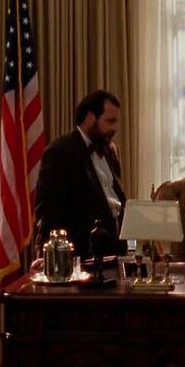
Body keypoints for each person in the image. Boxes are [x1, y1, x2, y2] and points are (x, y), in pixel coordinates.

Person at [35, 90, 126, 257]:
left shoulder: (110, 151)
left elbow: (116, 203)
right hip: (80, 257)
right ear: (90, 118)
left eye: (116, 122)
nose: (115, 128)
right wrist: (54, 257)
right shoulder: (60, 152)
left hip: (113, 255)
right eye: (110, 121)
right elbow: (49, 213)